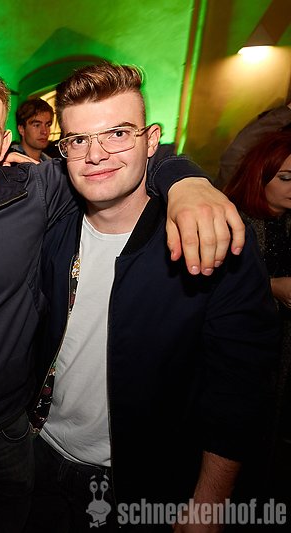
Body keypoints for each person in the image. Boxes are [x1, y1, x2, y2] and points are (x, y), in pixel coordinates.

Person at [0, 62, 245, 532]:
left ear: (5, 142)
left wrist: (187, 182)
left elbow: (126, 157)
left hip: (8, 436)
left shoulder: (36, 192)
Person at [27, 62, 279, 532]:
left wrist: (208, 504)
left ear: (151, 140)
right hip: (38, 459)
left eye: (118, 133)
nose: (96, 154)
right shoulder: (53, 229)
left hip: (142, 486)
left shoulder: (210, 238)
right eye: (78, 140)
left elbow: (240, 389)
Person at [223, 129, 291, 505]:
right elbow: (212, 290)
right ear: (259, 175)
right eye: (285, 177)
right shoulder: (235, 221)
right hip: (240, 355)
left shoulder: (287, 222)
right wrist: (272, 287)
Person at [10, 97, 55, 162]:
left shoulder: (52, 164)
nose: (44, 131)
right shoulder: (9, 163)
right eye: (37, 125)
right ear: (21, 129)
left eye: (48, 125)